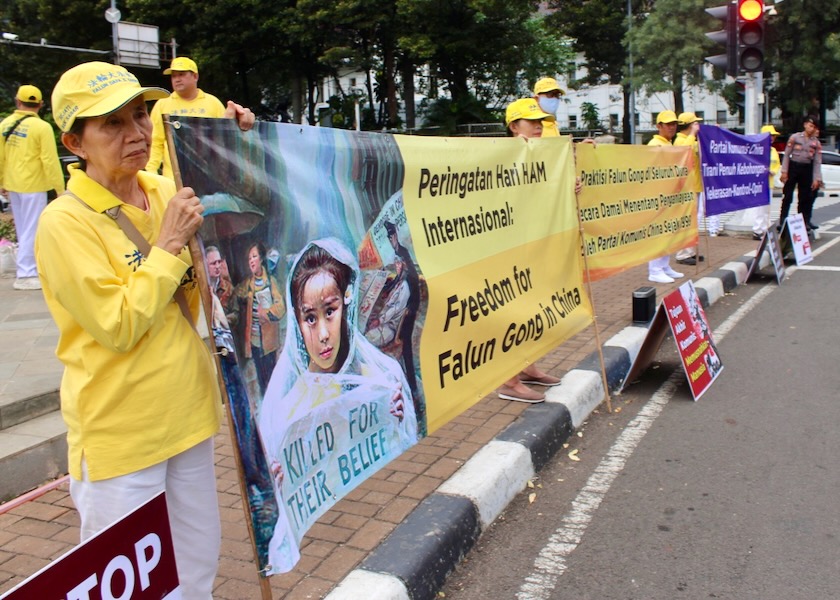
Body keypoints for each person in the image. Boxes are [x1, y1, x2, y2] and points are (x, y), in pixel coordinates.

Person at [35, 61, 245, 599]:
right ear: (74, 142)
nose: (135, 133)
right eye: (111, 124)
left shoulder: (161, 187)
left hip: (188, 417)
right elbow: (118, 324)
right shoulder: (66, 222)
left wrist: (239, 140)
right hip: (120, 438)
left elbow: (233, 194)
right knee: (140, 592)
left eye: (139, 115)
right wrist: (169, 245)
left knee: (197, 569)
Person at [258, 238, 417, 573]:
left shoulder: (381, 378)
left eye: (330, 312)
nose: (324, 334)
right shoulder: (285, 410)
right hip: (332, 556)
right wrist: (279, 481)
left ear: (347, 306)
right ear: (297, 323)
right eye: (309, 318)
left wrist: (397, 425)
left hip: (383, 530)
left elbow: (406, 464)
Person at [496, 98, 565, 403]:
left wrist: (568, 186)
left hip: (535, 245)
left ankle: (529, 367)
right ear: (514, 126)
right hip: (512, 248)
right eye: (531, 121)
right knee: (516, 311)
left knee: (535, 309)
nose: (539, 126)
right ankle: (508, 381)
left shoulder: (537, 153)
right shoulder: (503, 155)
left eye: (541, 121)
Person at [0, 84, 65, 290]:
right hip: (34, 184)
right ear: (40, 104)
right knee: (32, 227)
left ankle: (28, 269)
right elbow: (49, 160)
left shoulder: (5, 124)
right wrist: (59, 189)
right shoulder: (42, 128)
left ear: (18, 102)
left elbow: (1, 157)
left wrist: (1, 181)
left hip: (13, 184)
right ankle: (26, 274)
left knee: (22, 227)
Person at [146, 56, 255, 178]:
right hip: (174, 180)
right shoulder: (162, 104)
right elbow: (155, 141)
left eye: (181, 74)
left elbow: (224, 140)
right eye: (174, 76)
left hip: (209, 177)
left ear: (195, 76)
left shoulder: (212, 103)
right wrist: (151, 172)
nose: (177, 79)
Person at [230, 241, 285, 396]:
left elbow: (281, 308)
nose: (251, 261)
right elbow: (234, 297)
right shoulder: (247, 285)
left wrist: (266, 314)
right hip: (254, 342)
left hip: (269, 343)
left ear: (261, 259)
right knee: (261, 383)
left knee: (272, 379)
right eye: (249, 259)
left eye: (254, 257)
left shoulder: (271, 282)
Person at [647, 110, 685, 284]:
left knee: (669, 232)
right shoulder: (655, 144)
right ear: (658, 126)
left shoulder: (669, 144)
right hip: (658, 196)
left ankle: (664, 266)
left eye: (674, 124)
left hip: (670, 196)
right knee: (658, 233)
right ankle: (654, 269)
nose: (672, 127)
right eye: (668, 124)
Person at [674, 112, 710, 267]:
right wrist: (693, 134)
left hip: (695, 186)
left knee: (694, 222)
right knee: (686, 223)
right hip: (685, 189)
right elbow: (685, 151)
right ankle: (682, 254)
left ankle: (691, 251)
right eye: (694, 124)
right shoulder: (680, 141)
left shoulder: (691, 140)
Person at [778, 116, 822, 233]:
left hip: (806, 169)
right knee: (787, 195)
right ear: (805, 125)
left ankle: (802, 221)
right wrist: (784, 171)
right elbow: (786, 155)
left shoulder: (815, 143)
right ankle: (782, 220)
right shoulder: (795, 137)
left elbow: (817, 161)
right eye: (810, 125)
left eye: (814, 127)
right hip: (793, 167)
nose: (811, 128)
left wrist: (817, 178)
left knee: (804, 197)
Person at [365, 253, 410, 347]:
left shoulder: (404, 288)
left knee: (368, 339)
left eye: (399, 264)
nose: (397, 266)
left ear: (404, 266)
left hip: (389, 327)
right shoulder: (397, 284)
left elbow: (395, 309)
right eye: (396, 264)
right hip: (382, 320)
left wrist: (379, 321)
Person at [751, 124, 781, 240]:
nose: (773, 138)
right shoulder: (757, 150)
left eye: (774, 136)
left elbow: (777, 165)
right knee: (760, 209)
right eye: (770, 135)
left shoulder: (773, 150)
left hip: (769, 183)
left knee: (767, 209)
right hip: (759, 184)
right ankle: (757, 230)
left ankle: (765, 229)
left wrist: (772, 171)